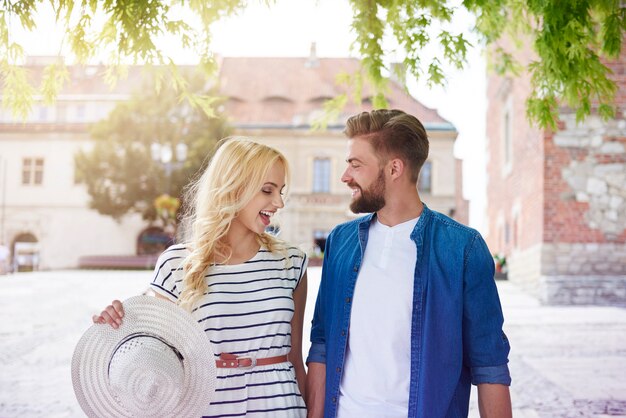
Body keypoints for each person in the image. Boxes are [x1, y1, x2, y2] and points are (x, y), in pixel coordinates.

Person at [305, 109, 512, 418]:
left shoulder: (462, 248)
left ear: (394, 169)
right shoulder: (340, 242)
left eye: (355, 164)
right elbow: (321, 345)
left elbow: (490, 364)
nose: (345, 176)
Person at [94, 137, 309, 417]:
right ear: (233, 189)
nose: (279, 202)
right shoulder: (176, 264)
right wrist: (117, 324)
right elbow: (153, 354)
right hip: (207, 407)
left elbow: (295, 358)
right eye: (267, 190)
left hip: (281, 407)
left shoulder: (291, 262)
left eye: (281, 191)